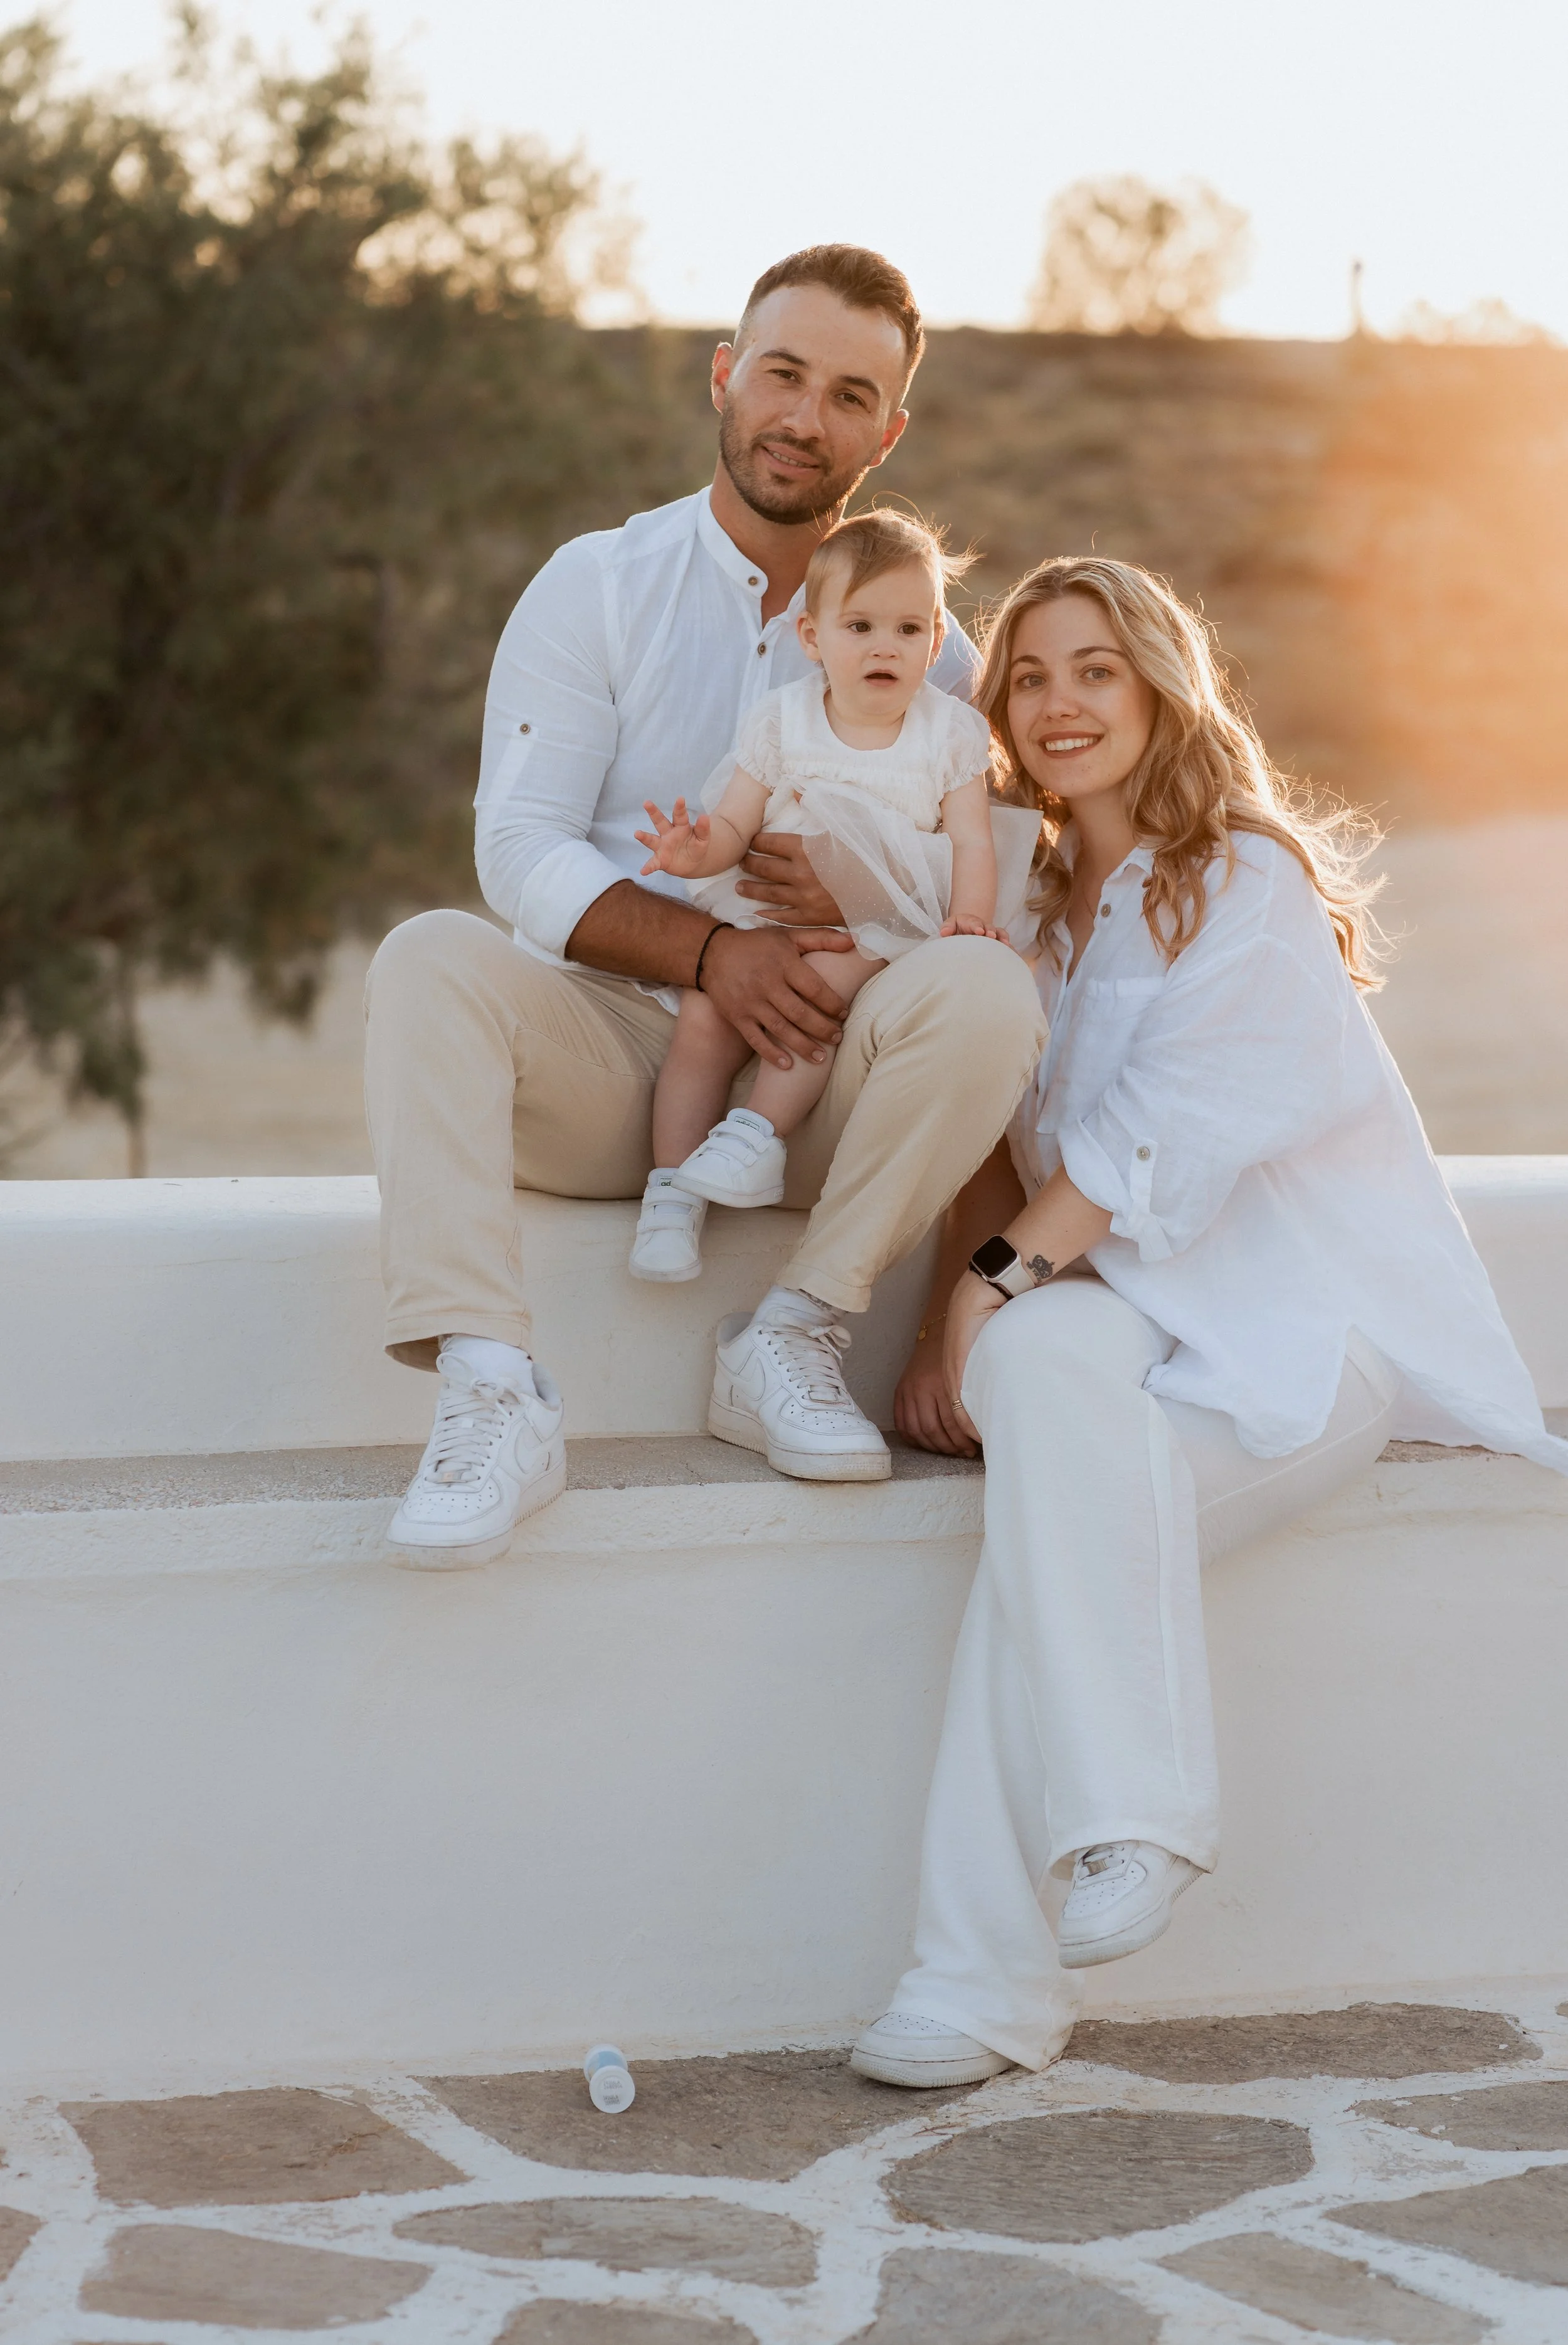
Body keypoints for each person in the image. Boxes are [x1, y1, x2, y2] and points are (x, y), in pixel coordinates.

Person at [849, 555, 1568, 2090]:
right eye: (1030, 676)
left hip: (1302, 1340)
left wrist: (981, 1286)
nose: (1058, 703)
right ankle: (1076, 1888)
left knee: (1043, 1537)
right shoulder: (1036, 908)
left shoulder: (1242, 879)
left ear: (1160, 687)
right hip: (1130, 1328)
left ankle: (1021, 1939)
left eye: (1094, 669)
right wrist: (958, 1325)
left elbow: (1139, 1148)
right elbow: (990, 1122)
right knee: (1049, 1398)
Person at [364, 246, 1045, 1564]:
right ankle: (494, 1391)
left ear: (887, 431)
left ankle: (790, 1336)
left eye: (851, 396)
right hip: (615, 1057)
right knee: (428, 957)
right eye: (782, 375)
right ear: (725, 377)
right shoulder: (598, 585)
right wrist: (713, 949)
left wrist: (846, 892)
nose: (805, 417)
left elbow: (978, 915)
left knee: (982, 989)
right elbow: (515, 846)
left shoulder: (939, 657)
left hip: (824, 1091)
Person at [630, 507, 1000, 1281]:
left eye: (906, 630)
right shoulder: (783, 721)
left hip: (868, 935)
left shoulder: (949, 735)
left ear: (936, 641)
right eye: (859, 626)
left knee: (819, 993)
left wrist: (969, 914)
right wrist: (696, 851)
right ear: (813, 638)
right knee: (702, 1017)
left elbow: (971, 838)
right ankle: (669, 1195)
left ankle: (755, 1136)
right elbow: (736, 818)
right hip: (757, 917)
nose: (882, 647)